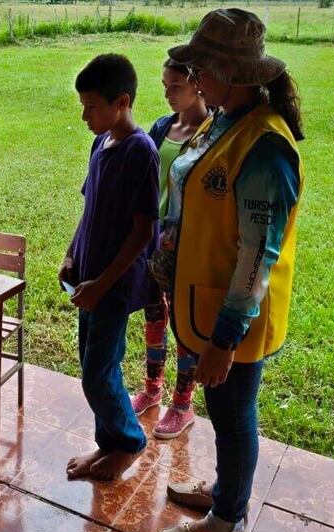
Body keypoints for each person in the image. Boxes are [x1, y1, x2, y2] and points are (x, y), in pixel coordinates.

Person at [152, 9, 304, 532]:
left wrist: (224, 340)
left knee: (235, 413)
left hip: (231, 317)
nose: (195, 77)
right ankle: (226, 490)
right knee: (224, 412)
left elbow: (257, 258)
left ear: (231, 73)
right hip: (205, 302)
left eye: (202, 68)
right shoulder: (226, 120)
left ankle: (227, 520)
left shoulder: (265, 147)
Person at [61, 54, 160, 481]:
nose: (85, 115)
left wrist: (102, 283)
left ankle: (129, 442)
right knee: (92, 364)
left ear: (121, 101)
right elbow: (91, 209)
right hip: (90, 277)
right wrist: (71, 254)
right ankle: (109, 444)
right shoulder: (100, 143)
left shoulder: (141, 151)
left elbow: (142, 232)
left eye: (92, 106)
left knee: (98, 371)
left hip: (114, 284)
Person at [129, 57, 209, 440]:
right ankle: (151, 388)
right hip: (152, 239)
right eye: (164, 85)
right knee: (153, 315)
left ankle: (183, 404)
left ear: (198, 84)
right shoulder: (163, 126)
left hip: (186, 244)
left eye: (175, 85)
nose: (167, 92)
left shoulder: (212, 134)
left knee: (182, 323)